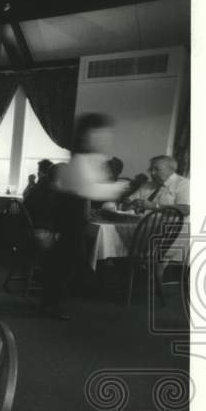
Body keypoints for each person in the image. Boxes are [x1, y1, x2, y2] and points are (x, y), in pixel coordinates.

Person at [38, 113, 130, 319]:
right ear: (88, 135)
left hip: (74, 216)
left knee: (68, 259)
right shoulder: (80, 160)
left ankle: (53, 302)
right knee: (64, 261)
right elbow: (90, 190)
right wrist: (122, 187)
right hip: (67, 217)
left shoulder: (91, 159)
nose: (105, 139)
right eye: (101, 134)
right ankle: (51, 304)